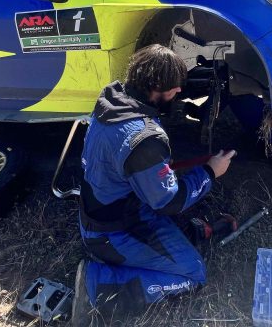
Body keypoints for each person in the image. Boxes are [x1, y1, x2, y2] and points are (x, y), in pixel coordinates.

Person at [71, 45, 236, 324]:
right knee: (193, 274)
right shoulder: (143, 139)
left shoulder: (113, 101)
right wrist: (210, 172)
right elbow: (169, 202)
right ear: (156, 86)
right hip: (113, 233)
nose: (179, 91)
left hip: (103, 212)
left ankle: (183, 236)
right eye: (174, 86)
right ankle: (96, 285)